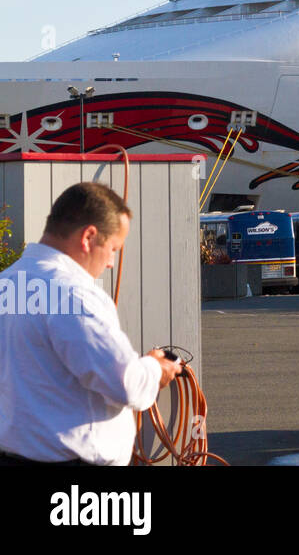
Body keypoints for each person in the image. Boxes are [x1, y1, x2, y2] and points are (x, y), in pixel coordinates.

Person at [0, 182, 183, 466]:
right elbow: (124, 383)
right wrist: (156, 368)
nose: (111, 262)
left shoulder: (7, 284)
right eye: (113, 248)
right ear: (88, 237)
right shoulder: (73, 294)